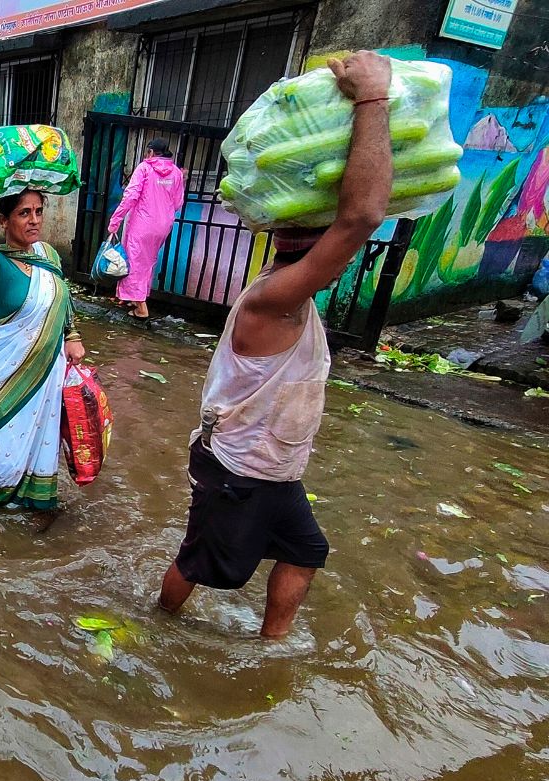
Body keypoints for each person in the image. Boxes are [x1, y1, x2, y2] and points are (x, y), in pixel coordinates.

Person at [156, 51, 395, 638]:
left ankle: (272, 644)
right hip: (240, 470)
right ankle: (159, 626)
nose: (344, 255)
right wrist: (372, 97)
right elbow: (362, 214)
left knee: (307, 549)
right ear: (313, 240)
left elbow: (350, 223)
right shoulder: (275, 300)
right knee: (200, 561)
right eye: (330, 241)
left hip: (275, 469)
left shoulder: (292, 297)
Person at [0, 189, 86, 510]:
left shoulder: (48, 255)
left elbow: (62, 297)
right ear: (3, 219)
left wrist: (72, 335)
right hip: (8, 374)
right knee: (6, 459)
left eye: (39, 211)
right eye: (24, 213)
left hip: (48, 370)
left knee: (41, 445)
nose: (34, 220)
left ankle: (27, 505)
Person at [106, 137, 185, 319]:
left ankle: (141, 308)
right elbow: (178, 202)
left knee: (134, 261)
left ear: (150, 152)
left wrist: (115, 220)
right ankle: (135, 298)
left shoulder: (145, 168)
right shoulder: (176, 173)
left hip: (142, 223)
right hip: (163, 224)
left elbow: (131, 196)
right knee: (148, 261)